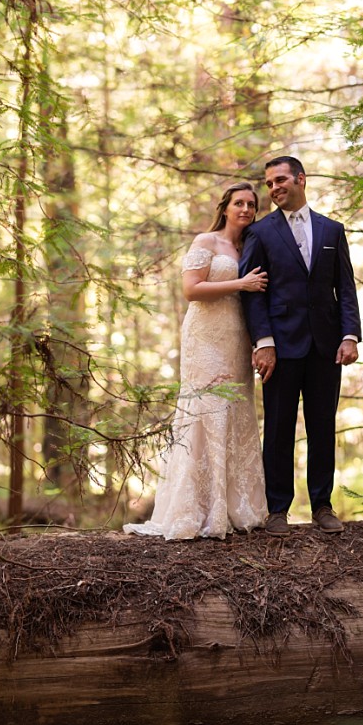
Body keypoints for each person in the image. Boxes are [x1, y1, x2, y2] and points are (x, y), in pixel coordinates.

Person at [123, 183, 269, 541]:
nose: (246, 209)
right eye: (239, 203)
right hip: (204, 336)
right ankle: (196, 508)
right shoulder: (206, 241)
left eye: (251, 204)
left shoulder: (249, 246)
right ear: (226, 207)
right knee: (206, 410)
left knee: (236, 411)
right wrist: (241, 283)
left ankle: (233, 506)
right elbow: (191, 289)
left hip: (237, 335)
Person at [238, 155, 361, 536]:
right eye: (269, 183)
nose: (274, 188)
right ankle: (277, 509)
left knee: (323, 426)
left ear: (300, 180)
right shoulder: (260, 233)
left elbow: (346, 287)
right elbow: (253, 295)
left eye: (280, 180)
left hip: (326, 347)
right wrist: (264, 342)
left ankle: (323, 506)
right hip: (281, 347)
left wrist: (349, 335)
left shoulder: (331, 230)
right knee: (278, 429)